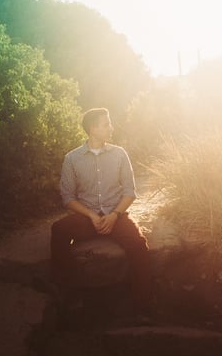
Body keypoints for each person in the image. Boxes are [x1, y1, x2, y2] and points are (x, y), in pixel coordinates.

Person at [50, 107, 152, 318]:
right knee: (58, 230)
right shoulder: (72, 158)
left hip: (116, 215)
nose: (111, 128)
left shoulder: (119, 154)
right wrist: (91, 215)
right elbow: (67, 197)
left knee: (139, 246)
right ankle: (69, 297)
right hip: (87, 217)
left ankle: (143, 306)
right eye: (106, 124)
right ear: (93, 129)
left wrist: (114, 215)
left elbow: (130, 192)